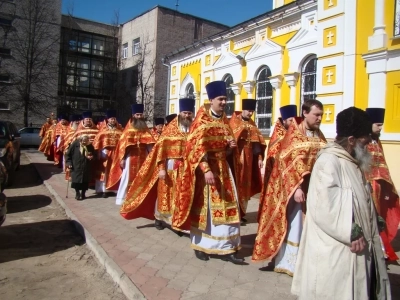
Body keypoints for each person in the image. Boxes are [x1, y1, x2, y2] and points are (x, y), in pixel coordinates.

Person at [292, 107, 391, 299]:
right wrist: (351, 230)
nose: (369, 145)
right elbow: (325, 206)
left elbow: (357, 194)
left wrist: (373, 216)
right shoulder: (329, 161)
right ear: (352, 140)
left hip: (359, 248)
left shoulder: (351, 160)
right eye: (364, 141)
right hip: (336, 250)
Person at [172, 81, 244, 264]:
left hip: (224, 170)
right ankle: (201, 245)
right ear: (211, 100)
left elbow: (226, 149)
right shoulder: (201, 122)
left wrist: (230, 148)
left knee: (228, 207)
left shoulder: (225, 122)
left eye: (225, 99)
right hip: (207, 173)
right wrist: (206, 170)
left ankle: (228, 248)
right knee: (207, 210)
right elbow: (194, 149)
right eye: (220, 99)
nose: (224, 102)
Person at [253, 99, 326, 276]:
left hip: (313, 188)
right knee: (293, 224)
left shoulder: (319, 134)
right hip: (292, 189)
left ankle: (305, 262)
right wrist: (298, 187)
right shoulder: (294, 134)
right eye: (316, 115)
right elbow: (290, 161)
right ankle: (288, 262)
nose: (319, 119)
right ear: (305, 113)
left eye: (321, 115)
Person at [120, 98, 195, 231]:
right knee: (165, 195)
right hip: (170, 167)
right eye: (185, 112)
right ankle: (159, 218)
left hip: (187, 168)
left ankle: (178, 221)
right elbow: (160, 150)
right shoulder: (170, 129)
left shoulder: (193, 129)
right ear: (180, 112)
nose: (187, 115)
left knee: (181, 196)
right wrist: (161, 169)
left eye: (189, 113)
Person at [365, 108, 400, 261]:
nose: (380, 128)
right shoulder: (363, 141)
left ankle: (380, 247)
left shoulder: (377, 141)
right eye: (378, 125)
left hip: (378, 188)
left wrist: (387, 186)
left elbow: (382, 164)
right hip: (366, 187)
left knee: (378, 217)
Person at [107, 104, 156, 205]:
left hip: (143, 155)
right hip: (131, 157)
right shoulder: (128, 129)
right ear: (133, 115)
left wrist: (151, 156)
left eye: (140, 115)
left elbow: (150, 145)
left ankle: (139, 197)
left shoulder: (145, 129)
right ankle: (124, 198)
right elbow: (122, 146)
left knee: (142, 177)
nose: (139, 116)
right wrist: (122, 158)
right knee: (127, 177)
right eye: (137, 114)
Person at [258, 105, 297, 221]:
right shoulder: (278, 137)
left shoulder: (296, 134)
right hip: (277, 179)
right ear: (284, 120)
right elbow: (274, 157)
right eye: (291, 120)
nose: (293, 123)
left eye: (295, 120)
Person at [229, 99, 266, 221]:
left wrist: (259, 157)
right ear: (243, 109)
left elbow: (257, 143)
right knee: (236, 183)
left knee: (246, 185)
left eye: (252, 112)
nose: (250, 114)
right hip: (237, 157)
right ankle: (235, 211)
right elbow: (230, 136)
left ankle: (242, 212)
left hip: (249, 159)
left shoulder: (252, 124)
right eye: (249, 111)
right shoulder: (234, 121)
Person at [92, 109, 123, 198]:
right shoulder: (103, 130)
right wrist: (99, 151)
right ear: (107, 120)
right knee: (104, 171)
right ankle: (103, 190)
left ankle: (112, 189)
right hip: (105, 152)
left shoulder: (120, 130)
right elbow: (98, 141)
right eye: (111, 119)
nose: (112, 120)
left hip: (116, 153)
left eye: (114, 119)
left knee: (114, 170)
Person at [66, 135, 95, 201]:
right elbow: (68, 155)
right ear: (80, 140)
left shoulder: (90, 146)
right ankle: (77, 193)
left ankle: (83, 193)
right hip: (76, 165)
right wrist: (69, 163)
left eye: (86, 141)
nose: (85, 143)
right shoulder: (74, 145)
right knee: (76, 181)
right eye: (84, 142)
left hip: (86, 166)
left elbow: (94, 154)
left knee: (85, 181)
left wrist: (92, 157)